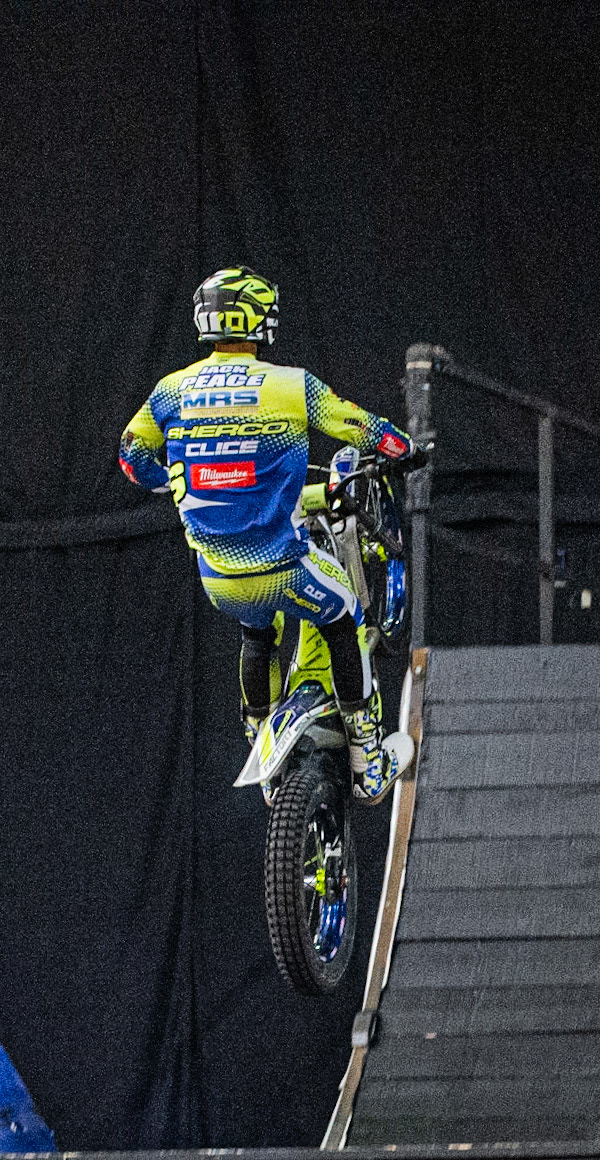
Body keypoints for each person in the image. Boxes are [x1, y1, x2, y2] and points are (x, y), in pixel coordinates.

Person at [119, 266, 422, 803]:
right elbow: (360, 427)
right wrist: (406, 449)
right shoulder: (288, 385)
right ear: (255, 320)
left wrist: (166, 482)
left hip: (217, 578)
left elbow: (130, 455)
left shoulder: (171, 390)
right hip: (283, 567)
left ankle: (258, 735)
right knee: (345, 611)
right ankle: (367, 758)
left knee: (257, 634)